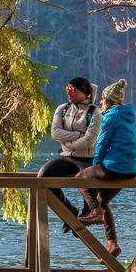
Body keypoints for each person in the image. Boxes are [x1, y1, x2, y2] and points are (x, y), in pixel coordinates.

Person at [78, 79, 136, 256]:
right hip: (130, 171)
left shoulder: (111, 116)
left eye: (102, 100)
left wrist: (96, 166)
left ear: (107, 100)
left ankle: (94, 210)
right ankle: (112, 243)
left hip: (113, 168)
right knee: (103, 201)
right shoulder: (129, 118)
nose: (101, 103)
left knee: (80, 177)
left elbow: (102, 144)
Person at [38, 77, 98, 227]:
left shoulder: (95, 112)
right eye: (67, 89)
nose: (68, 93)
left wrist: (68, 143)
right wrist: (77, 137)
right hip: (66, 157)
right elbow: (55, 133)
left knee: (88, 181)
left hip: (87, 158)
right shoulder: (62, 109)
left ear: (83, 92)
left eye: (72, 90)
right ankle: (69, 211)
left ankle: (86, 216)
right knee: (43, 176)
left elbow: (90, 140)